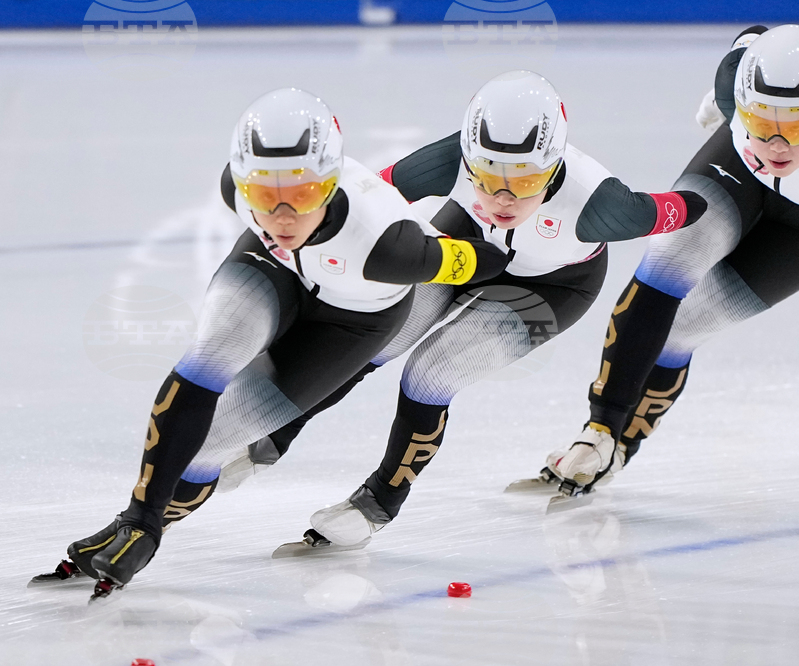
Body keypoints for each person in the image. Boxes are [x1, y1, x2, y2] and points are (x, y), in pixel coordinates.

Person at [174, 70, 708, 554]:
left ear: (554, 168)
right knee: (374, 337)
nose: (501, 198)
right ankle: (272, 435)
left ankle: (380, 500)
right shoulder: (452, 157)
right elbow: (368, 195)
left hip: (553, 287)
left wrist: (715, 191)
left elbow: (679, 208)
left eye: (523, 183)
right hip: (461, 248)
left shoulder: (602, 205)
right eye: (485, 176)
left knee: (433, 371)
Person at [32, 88, 507, 598]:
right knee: (214, 351)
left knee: (215, 443)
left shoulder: (391, 247)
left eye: (301, 197)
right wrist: (144, 516)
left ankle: (146, 525)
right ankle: (138, 524)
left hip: (353, 322)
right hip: (273, 269)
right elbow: (201, 371)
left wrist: (513, 238)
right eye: (263, 197)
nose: (281, 218)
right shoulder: (233, 189)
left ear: (328, 187)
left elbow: (483, 260)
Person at [532, 24, 799, 498]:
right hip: (736, 171)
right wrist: (728, 107)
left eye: (795, 128)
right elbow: (752, 35)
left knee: (688, 324)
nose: (776, 146)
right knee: (668, 261)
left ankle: (624, 445)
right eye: (761, 123)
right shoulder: (735, 83)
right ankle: (601, 433)